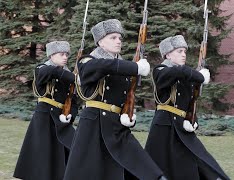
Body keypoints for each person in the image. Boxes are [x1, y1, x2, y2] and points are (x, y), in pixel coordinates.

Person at [63, 19, 166, 180]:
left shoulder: (122, 65)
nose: (118, 41)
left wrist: (129, 114)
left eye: (120, 38)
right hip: (94, 125)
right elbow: (102, 67)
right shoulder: (87, 60)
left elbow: (126, 96)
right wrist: (135, 67)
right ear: (100, 42)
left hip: (118, 128)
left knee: (146, 171)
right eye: (113, 38)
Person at [145, 35, 230, 180]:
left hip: (181, 125)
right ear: (168, 54)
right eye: (179, 51)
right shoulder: (160, 70)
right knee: (158, 166)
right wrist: (199, 76)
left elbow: (190, 102)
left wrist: (192, 118)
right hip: (164, 126)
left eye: (185, 51)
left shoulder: (185, 75)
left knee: (201, 158)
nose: (184, 54)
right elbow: (179, 72)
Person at [14, 40, 78, 180]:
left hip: (61, 120)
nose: (65, 57)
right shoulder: (43, 69)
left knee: (73, 148)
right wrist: (73, 77)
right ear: (51, 56)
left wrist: (70, 115)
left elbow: (73, 101)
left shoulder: (67, 75)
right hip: (44, 118)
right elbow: (49, 71)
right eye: (61, 54)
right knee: (43, 154)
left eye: (67, 54)